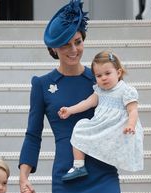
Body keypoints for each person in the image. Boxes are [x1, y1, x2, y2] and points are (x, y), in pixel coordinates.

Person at [18, 1, 121, 193]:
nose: (73, 49)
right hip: (67, 177)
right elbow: (32, 134)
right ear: (54, 49)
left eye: (77, 41)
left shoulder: (101, 79)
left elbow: (122, 114)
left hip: (102, 171)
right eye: (65, 45)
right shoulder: (42, 84)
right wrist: (24, 175)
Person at [59, 50, 144, 182]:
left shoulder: (126, 91)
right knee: (80, 127)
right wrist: (70, 110)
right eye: (99, 76)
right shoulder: (99, 91)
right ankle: (79, 166)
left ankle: (106, 158)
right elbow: (87, 103)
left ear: (119, 72)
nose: (103, 78)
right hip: (101, 125)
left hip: (116, 128)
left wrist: (130, 125)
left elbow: (133, 110)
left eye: (108, 73)